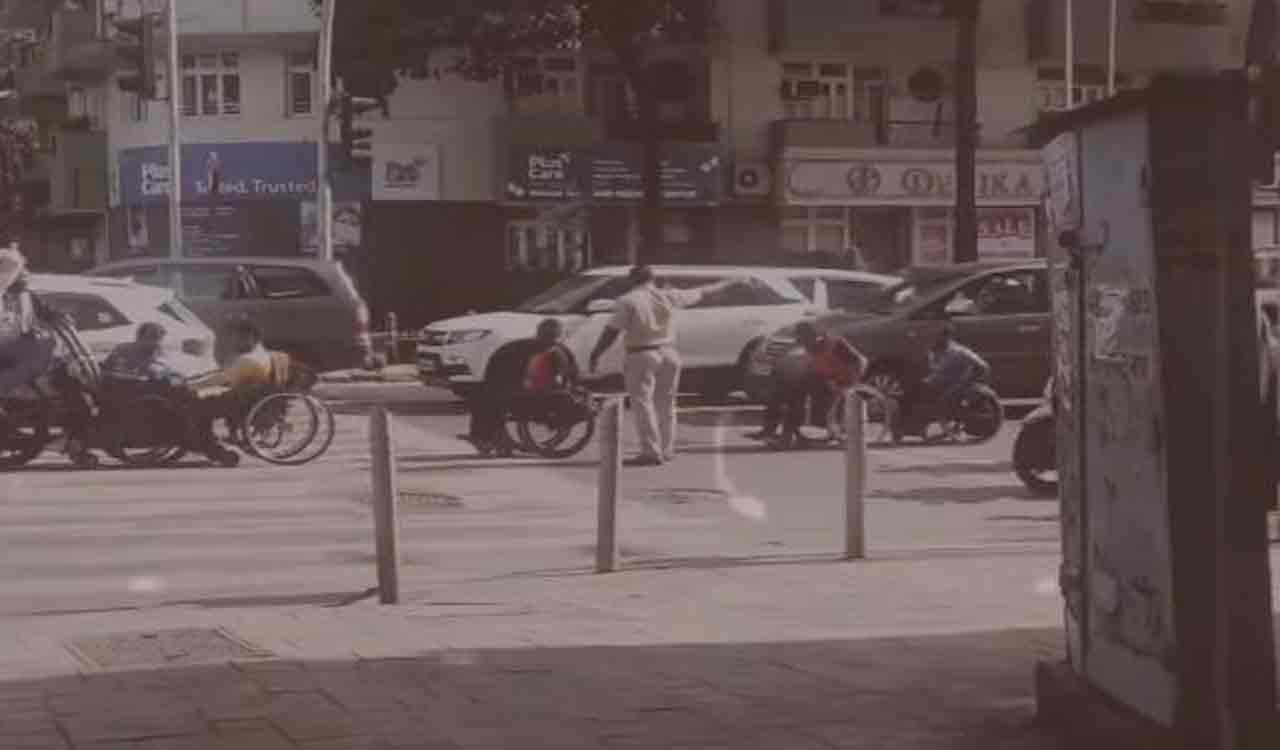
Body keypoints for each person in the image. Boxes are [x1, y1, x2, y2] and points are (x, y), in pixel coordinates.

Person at [588, 266, 747, 467]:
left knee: (642, 403)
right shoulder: (669, 296)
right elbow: (704, 291)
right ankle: (666, 449)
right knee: (666, 404)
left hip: (641, 354)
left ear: (631, 280)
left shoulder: (627, 300)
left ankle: (650, 451)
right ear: (653, 279)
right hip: (669, 353)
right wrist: (731, 282)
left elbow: (611, 331)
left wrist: (596, 353)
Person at [466, 318, 578, 457]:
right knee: (495, 399)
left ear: (538, 332)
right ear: (558, 335)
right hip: (529, 393)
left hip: (505, 388)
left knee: (487, 397)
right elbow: (570, 375)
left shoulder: (517, 346)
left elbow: (494, 372)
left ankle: (490, 438)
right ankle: (496, 440)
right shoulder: (558, 350)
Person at [187, 319, 274, 462]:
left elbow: (221, 378)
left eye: (236, 338)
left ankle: (213, 449)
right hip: (246, 397)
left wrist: (192, 385)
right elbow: (225, 374)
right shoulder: (260, 354)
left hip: (241, 402)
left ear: (250, 337)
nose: (233, 343)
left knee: (197, 408)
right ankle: (206, 443)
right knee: (202, 402)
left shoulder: (248, 359)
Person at [777, 322, 868, 448]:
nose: (804, 345)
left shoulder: (835, 344)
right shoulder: (811, 348)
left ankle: (795, 432)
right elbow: (814, 368)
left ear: (813, 338)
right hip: (827, 380)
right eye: (801, 341)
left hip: (845, 380)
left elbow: (859, 363)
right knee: (795, 388)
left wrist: (844, 384)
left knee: (808, 390)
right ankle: (790, 431)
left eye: (805, 341)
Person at [899, 322, 990, 435]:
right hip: (936, 383)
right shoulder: (935, 351)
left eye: (939, 336)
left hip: (950, 386)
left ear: (947, 337)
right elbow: (934, 369)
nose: (935, 339)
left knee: (915, 392)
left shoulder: (959, 351)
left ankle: (912, 426)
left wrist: (965, 382)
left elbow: (983, 366)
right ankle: (909, 425)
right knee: (908, 389)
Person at [0, 247, 55, 397]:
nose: (10, 276)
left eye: (14, 272)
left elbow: (45, 309)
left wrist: (57, 316)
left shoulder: (19, 293)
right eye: (8, 271)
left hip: (12, 342)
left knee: (45, 346)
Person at [103, 322, 179, 382]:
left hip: (156, 395)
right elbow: (107, 373)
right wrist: (137, 378)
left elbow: (168, 373)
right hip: (128, 392)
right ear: (139, 337)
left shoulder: (161, 354)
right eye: (152, 337)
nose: (156, 343)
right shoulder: (122, 350)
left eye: (160, 339)